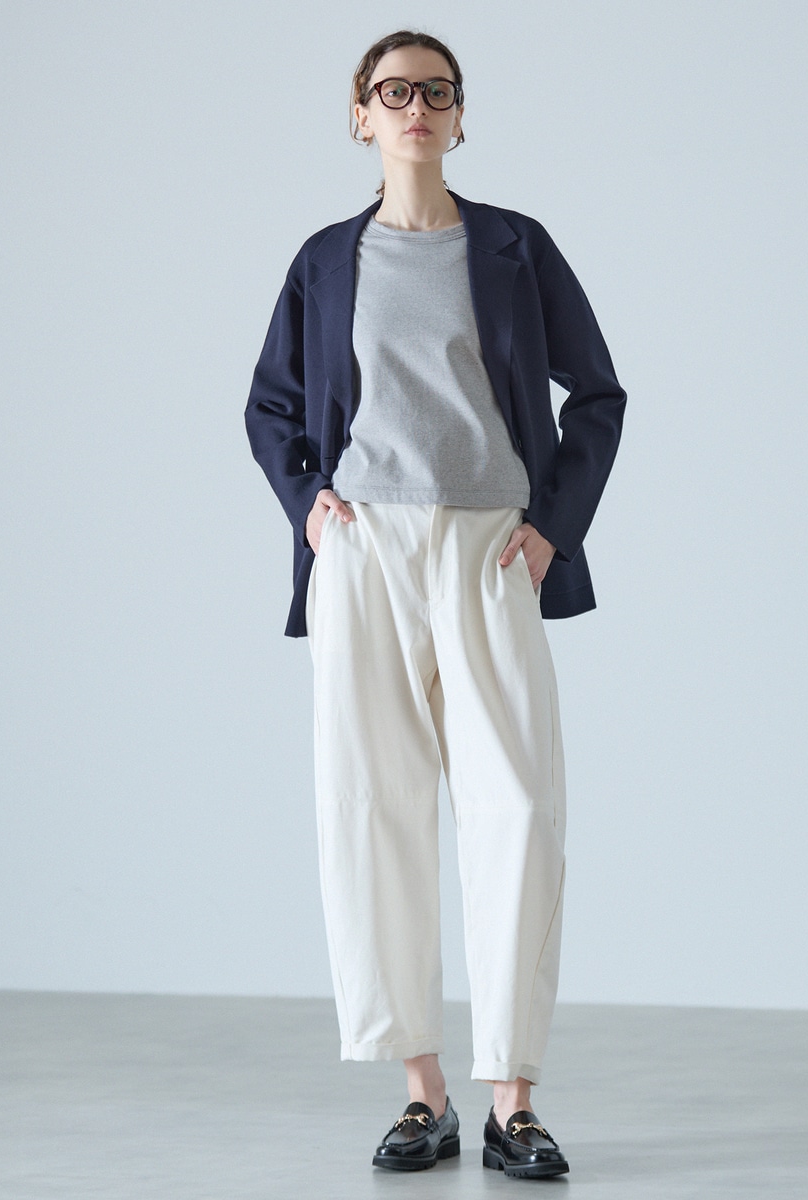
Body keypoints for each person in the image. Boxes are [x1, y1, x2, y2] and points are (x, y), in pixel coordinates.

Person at [244, 29, 625, 1179]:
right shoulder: (326, 260)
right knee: (374, 807)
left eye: (437, 91)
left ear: (461, 116)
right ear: (360, 115)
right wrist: (310, 509)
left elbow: (597, 394)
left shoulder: (513, 246)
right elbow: (270, 406)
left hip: (488, 548)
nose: (416, 106)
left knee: (519, 809)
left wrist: (552, 527)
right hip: (366, 552)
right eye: (394, 90)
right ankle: (423, 1094)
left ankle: (515, 1102)